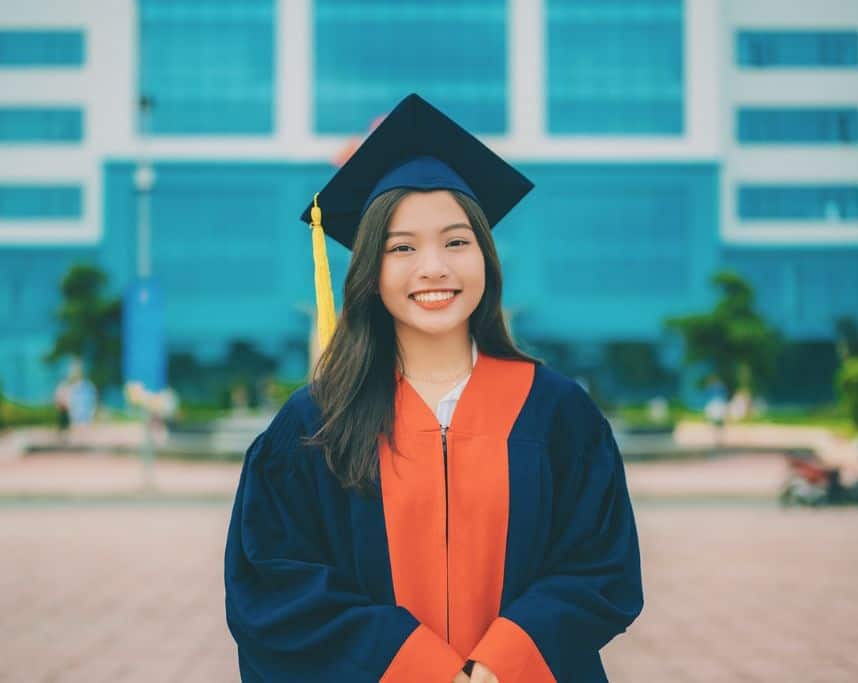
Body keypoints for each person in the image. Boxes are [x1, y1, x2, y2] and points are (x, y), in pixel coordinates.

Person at [224, 94, 643, 682]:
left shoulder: (556, 412)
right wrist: (418, 667)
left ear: (486, 258)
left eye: (455, 242)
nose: (434, 268)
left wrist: (503, 662)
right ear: (370, 271)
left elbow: (601, 567)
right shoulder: (316, 422)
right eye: (402, 247)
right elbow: (274, 584)